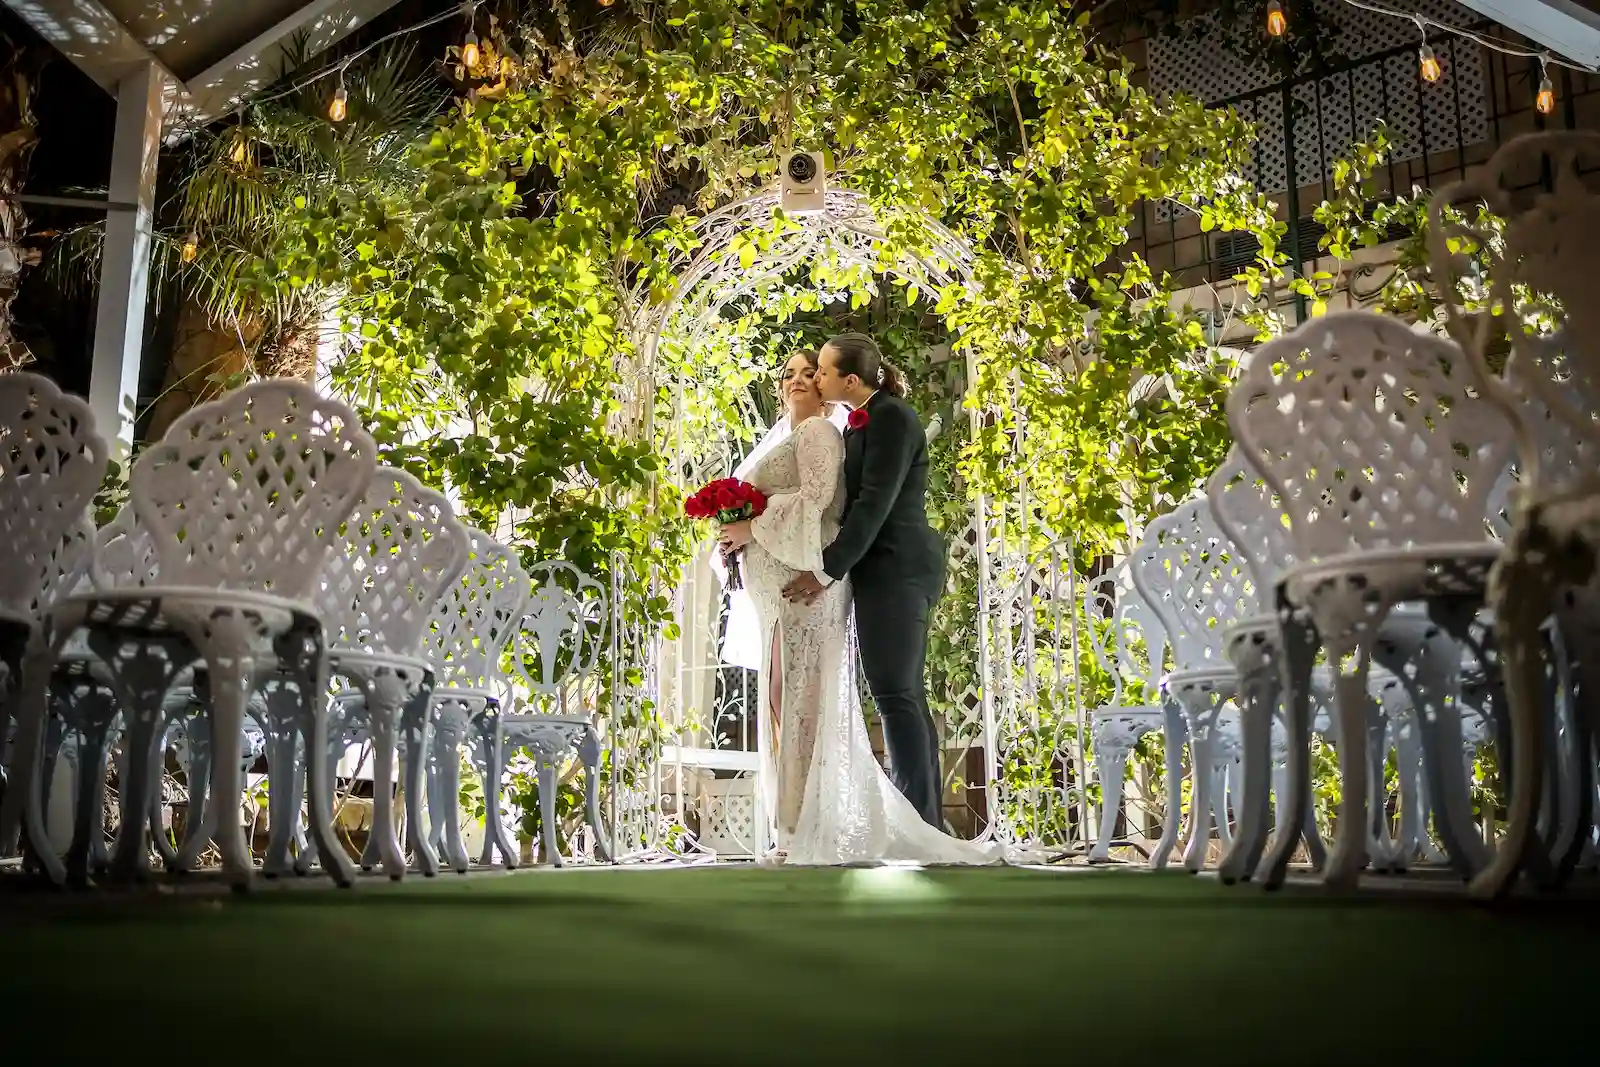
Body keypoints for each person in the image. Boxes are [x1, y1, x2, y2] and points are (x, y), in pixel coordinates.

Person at [717, 340, 1001, 866]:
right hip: (871, 573)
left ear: (849, 381)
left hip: (898, 568)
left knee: (897, 693)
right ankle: (911, 821)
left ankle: (924, 825)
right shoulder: (857, 423)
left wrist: (824, 569)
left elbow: (872, 506)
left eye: (821, 371)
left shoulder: (891, 417)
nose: (814, 380)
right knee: (890, 692)